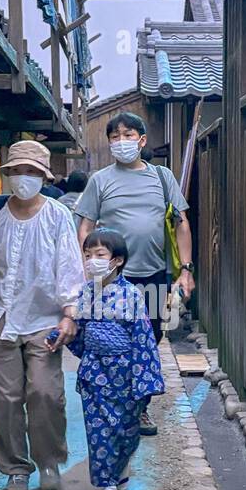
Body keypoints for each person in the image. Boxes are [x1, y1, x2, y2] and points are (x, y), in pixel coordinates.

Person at [0, 140, 83, 490]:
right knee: (5, 399)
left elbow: (70, 269)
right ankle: (16, 467)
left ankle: (48, 461)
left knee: (44, 392)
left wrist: (69, 314)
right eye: (17, 171)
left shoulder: (57, 215)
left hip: (44, 319)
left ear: (43, 177)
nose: (23, 178)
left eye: (31, 172)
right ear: (8, 175)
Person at [76, 112, 195, 434]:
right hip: (110, 280)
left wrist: (186, 270)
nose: (121, 142)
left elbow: (181, 222)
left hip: (153, 274)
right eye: (114, 137)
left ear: (142, 140)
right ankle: (114, 404)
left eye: (128, 135)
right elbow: (85, 223)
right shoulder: (100, 180)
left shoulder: (161, 176)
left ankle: (138, 406)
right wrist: (85, 266)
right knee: (109, 342)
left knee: (148, 341)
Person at [67, 229, 164, 490]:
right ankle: (108, 486)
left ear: (117, 260)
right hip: (94, 372)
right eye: (87, 255)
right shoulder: (85, 292)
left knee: (125, 429)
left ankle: (119, 473)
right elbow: (80, 333)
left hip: (125, 373)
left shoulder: (132, 294)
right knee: (99, 430)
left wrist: (144, 378)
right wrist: (64, 337)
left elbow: (143, 337)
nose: (91, 261)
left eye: (100, 255)